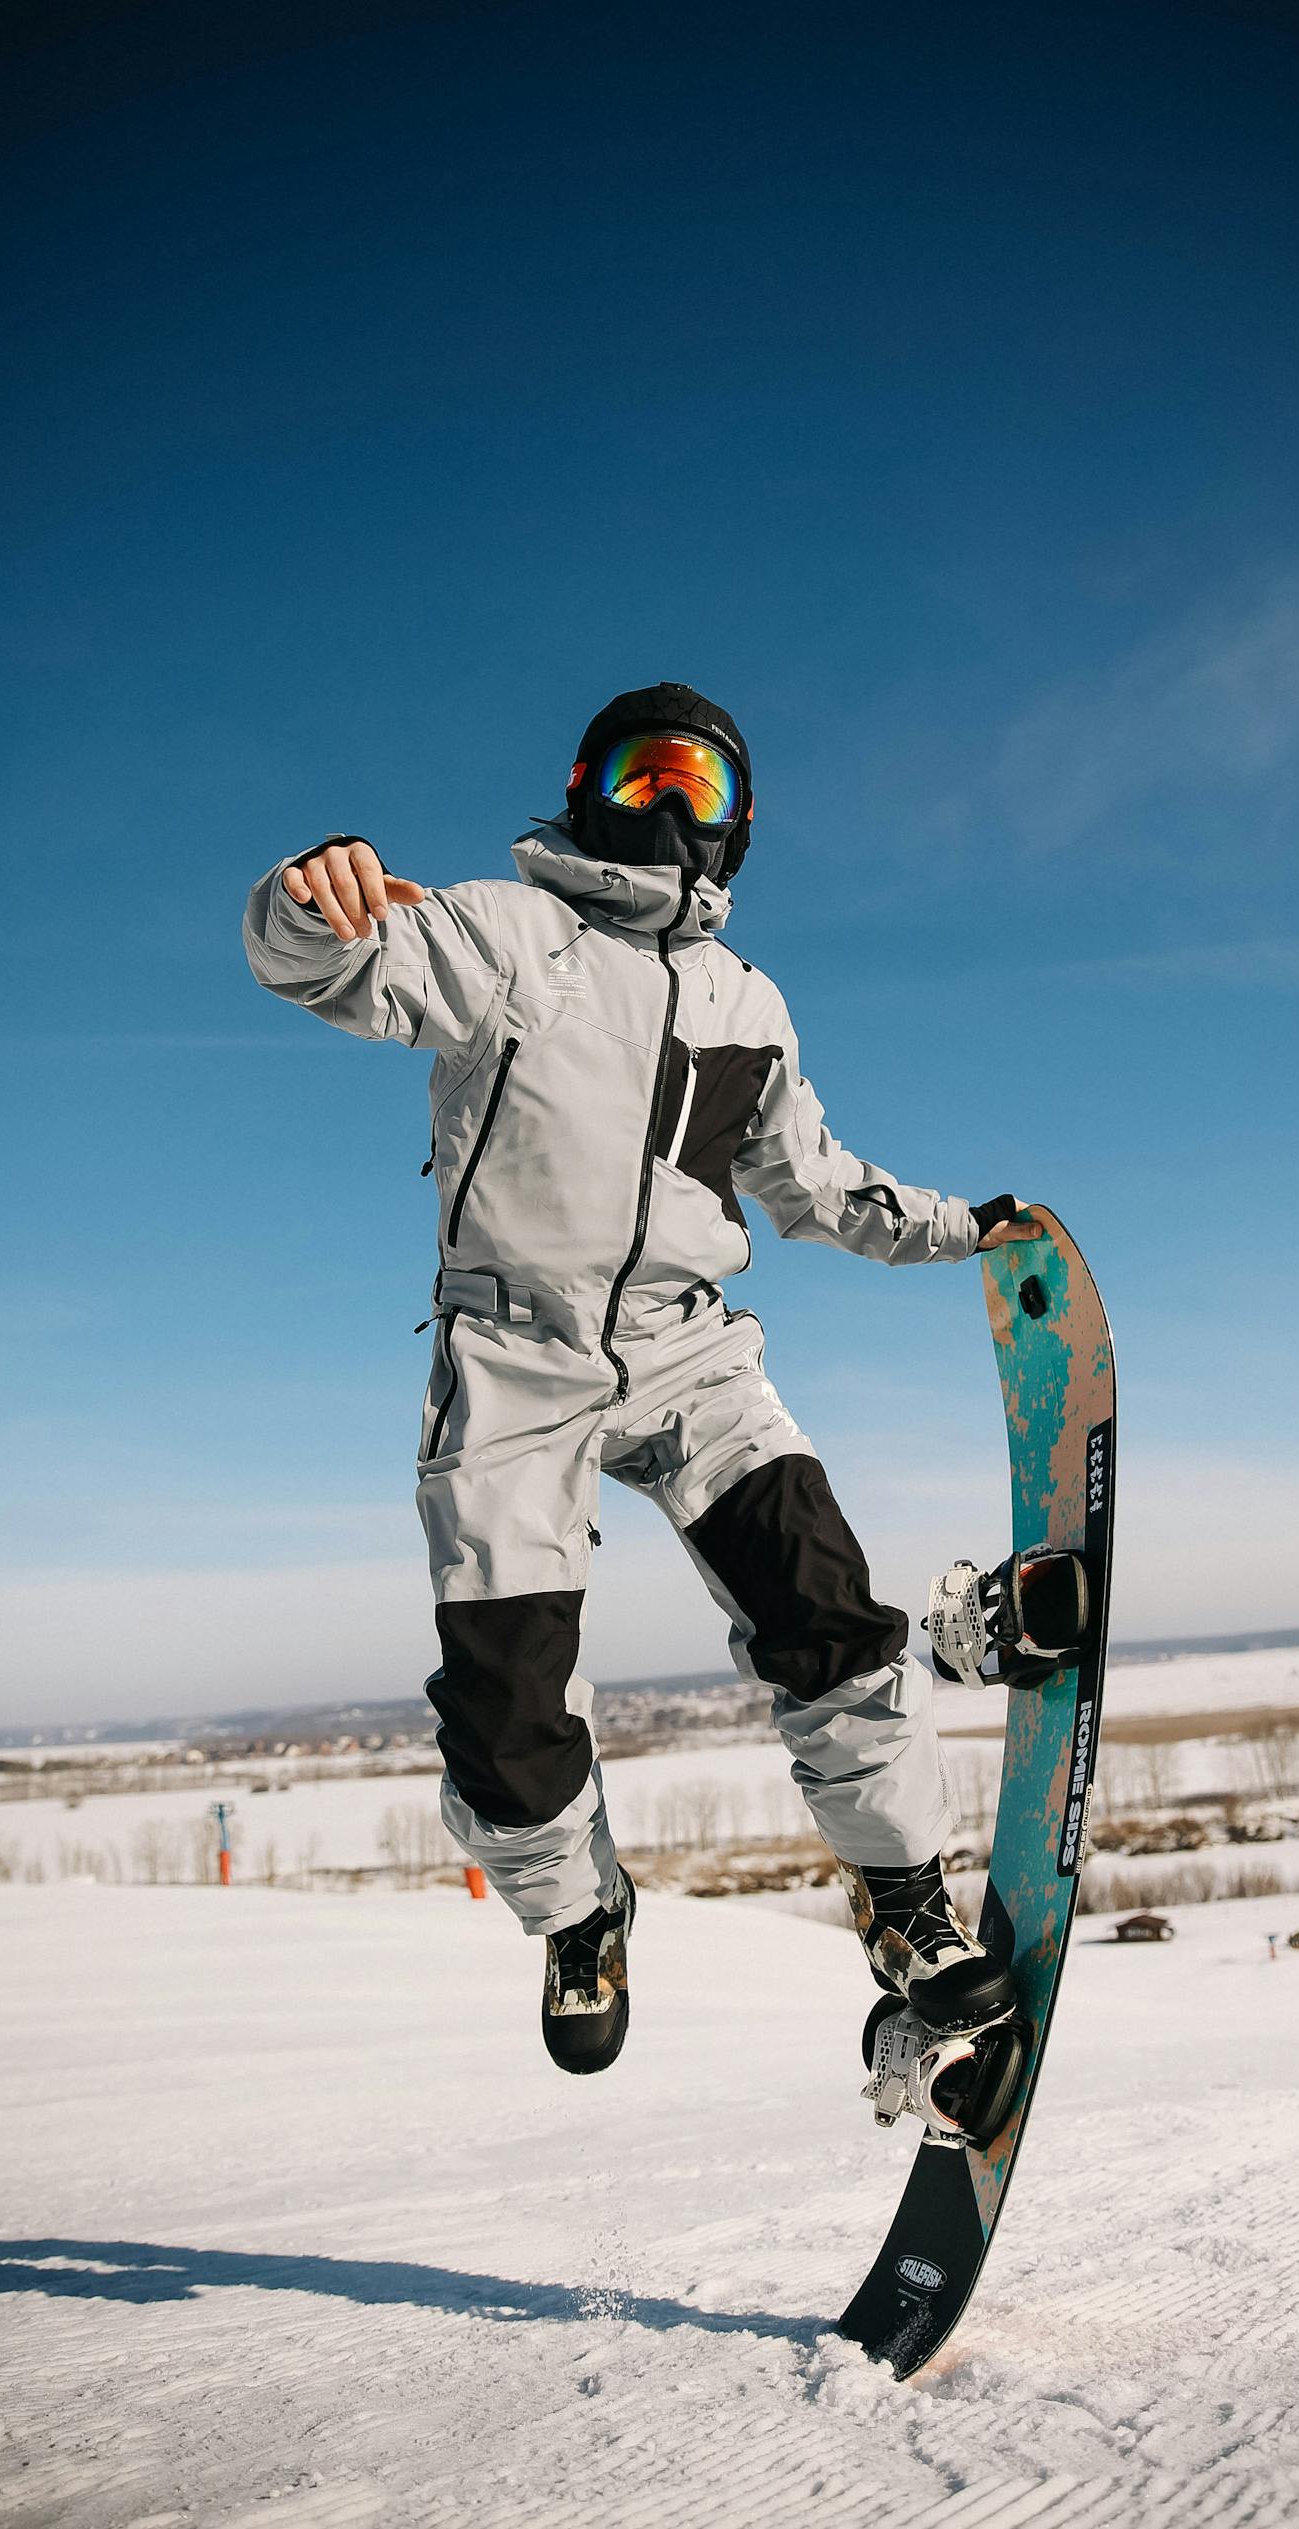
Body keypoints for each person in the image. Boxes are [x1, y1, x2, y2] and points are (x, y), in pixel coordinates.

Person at [244, 682, 1031, 2074]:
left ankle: (907, 1902)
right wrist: (311, 900)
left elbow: (814, 1187)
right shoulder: (504, 930)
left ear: (735, 830)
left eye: (700, 785)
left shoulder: (751, 1004)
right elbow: (333, 968)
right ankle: (578, 1908)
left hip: (687, 1350)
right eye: (640, 770)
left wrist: (957, 1230)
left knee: (824, 1607)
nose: (666, 804)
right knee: (502, 1702)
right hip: (509, 1353)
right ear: (586, 783)